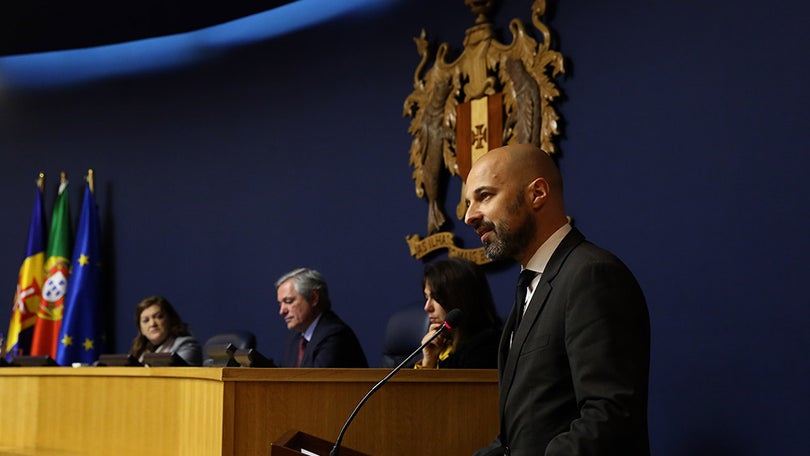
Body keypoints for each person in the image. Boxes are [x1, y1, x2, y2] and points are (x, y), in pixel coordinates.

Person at [464, 144, 650, 455]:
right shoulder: (531, 286)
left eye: (484, 196)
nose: (470, 216)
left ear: (537, 193)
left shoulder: (592, 275)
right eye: (469, 203)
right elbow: (517, 438)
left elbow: (608, 419)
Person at [415, 257, 502, 369]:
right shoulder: (439, 344)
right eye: (427, 297)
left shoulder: (485, 349)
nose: (427, 307)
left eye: (436, 297)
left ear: (461, 299)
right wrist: (428, 360)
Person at [276, 268, 368, 368]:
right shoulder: (295, 340)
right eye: (280, 304)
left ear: (314, 298)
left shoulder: (335, 336)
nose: (282, 311)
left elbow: (314, 382)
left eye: (289, 301)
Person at [129, 295, 202, 366]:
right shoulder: (139, 353)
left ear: (170, 319)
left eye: (158, 317)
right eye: (146, 320)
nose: (152, 324)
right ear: (141, 330)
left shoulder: (186, 345)